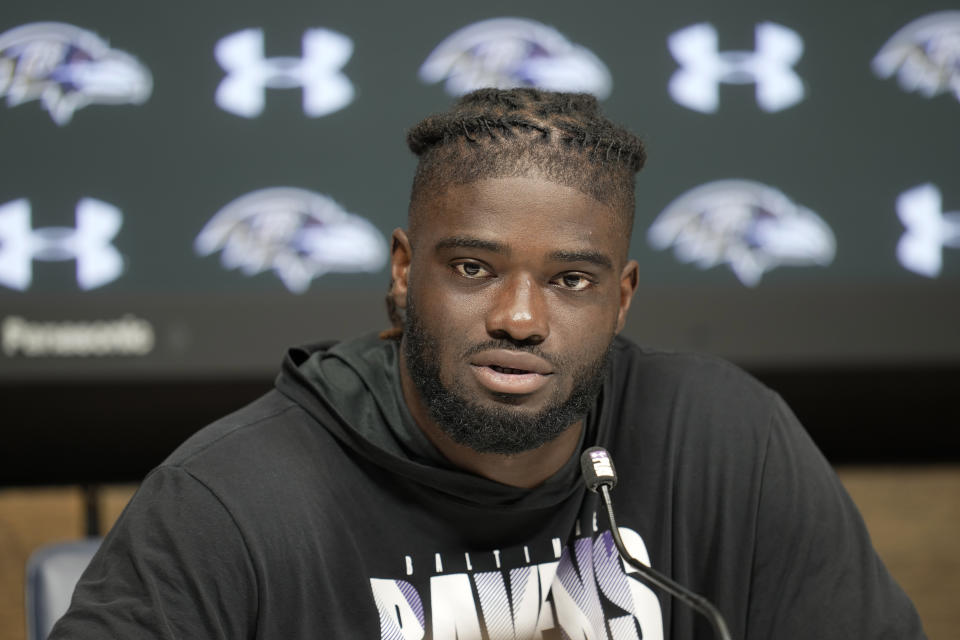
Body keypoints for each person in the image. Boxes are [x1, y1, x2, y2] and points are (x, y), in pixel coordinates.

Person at [50, 88, 925, 639]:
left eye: (570, 280)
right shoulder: (229, 501)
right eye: (473, 268)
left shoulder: (732, 442)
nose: (519, 318)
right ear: (403, 273)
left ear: (620, 298)